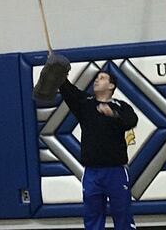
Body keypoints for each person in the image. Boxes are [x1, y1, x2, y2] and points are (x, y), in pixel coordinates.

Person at [59, 70, 139, 230]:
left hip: (116, 172)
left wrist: (113, 114)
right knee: (92, 218)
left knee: (122, 216)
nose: (96, 80)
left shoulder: (121, 106)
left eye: (102, 78)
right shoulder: (85, 104)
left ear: (111, 85)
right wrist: (57, 70)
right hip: (92, 173)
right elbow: (68, 91)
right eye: (96, 78)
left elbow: (132, 121)